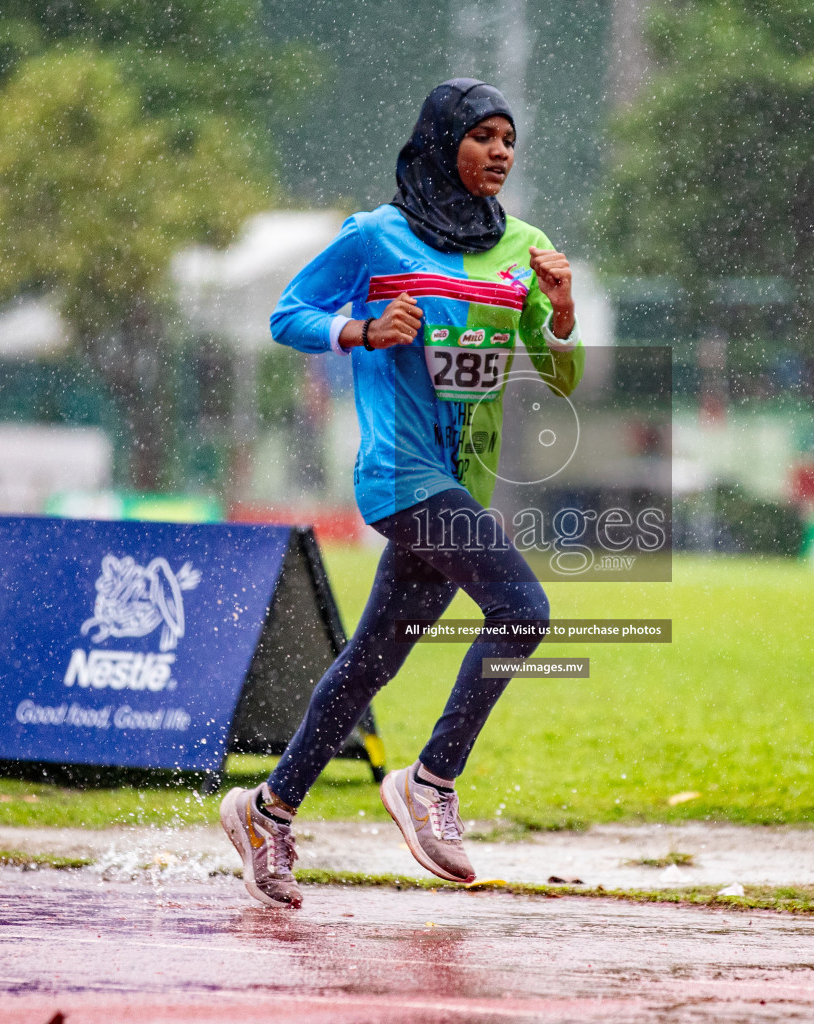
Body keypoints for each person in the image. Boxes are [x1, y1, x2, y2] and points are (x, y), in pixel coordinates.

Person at [220, 79, 584, 908]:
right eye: (483, 136)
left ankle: (266, 809)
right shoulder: (376, 238)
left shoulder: (526, 248)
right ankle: (432, 781)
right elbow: (289, 312)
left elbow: (559, 376)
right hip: (399, 474)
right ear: (439, 142)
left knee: (370, 661)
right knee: (524, 613)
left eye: (509, 139)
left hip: (464, 484)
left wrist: (560, 314)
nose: (500, 151)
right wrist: (361, 329)